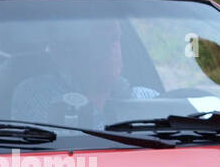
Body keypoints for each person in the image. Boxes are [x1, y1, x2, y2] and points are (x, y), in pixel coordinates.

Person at [11, 19, 156, 126]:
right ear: (70, 50)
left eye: (115, 39)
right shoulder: (39, 94)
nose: (111, 48)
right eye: (101, 40)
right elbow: (41, 152)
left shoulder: (148, 99)